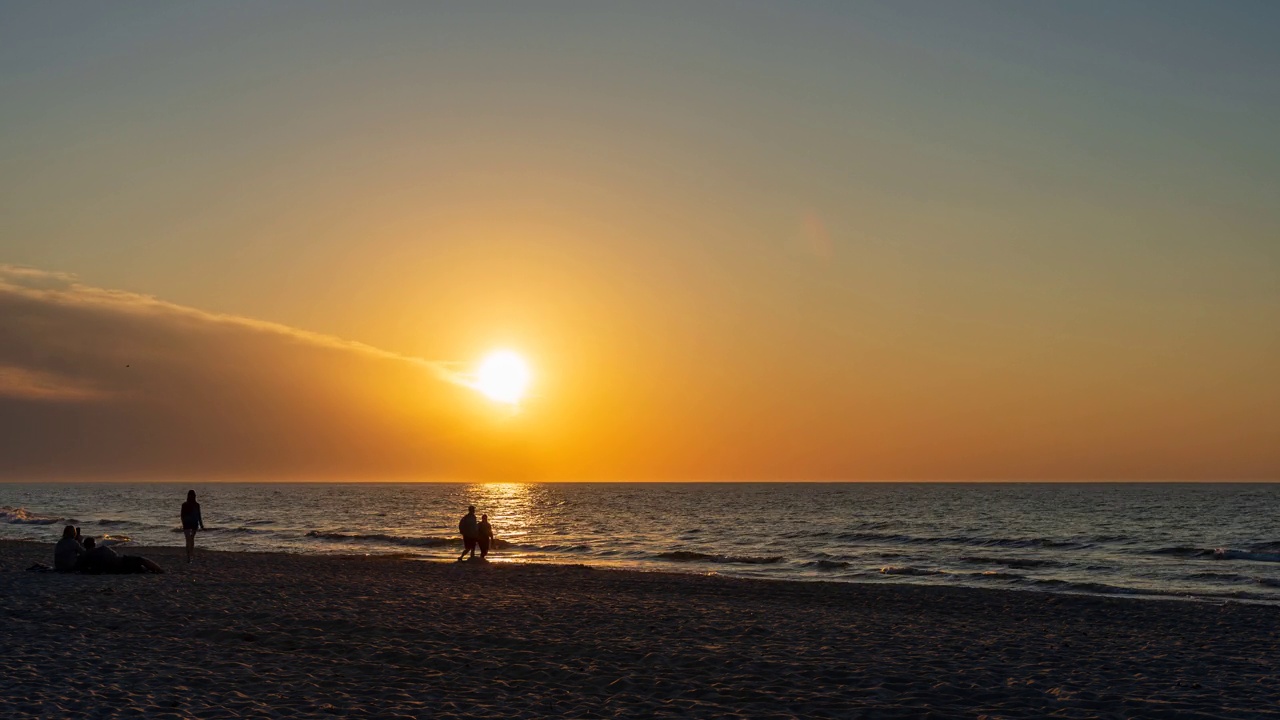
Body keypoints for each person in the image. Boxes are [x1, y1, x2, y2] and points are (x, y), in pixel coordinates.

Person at [82, 537, 164, 574]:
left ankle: (152, 570)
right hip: (120, 563)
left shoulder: (86, 556)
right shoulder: (102, 549)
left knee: (139, 568)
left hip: (114, 569)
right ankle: (160, 570)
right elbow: (114, 554)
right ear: (94, 544)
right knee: (141, 560)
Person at [181, 490, 204, 564]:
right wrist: (201, 524)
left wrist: (201, 524)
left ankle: (189, 556)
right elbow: (182, 515)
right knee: (190, 540)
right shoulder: (190, 505)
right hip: (190, 523)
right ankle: (189, 556)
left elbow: (198, 515)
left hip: (191, 523)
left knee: (190, 540)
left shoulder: (193, 505)